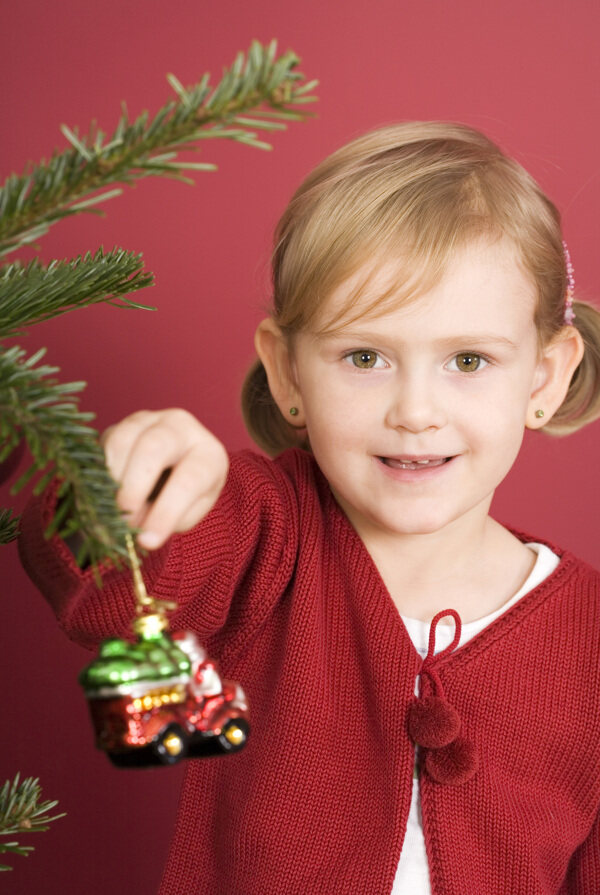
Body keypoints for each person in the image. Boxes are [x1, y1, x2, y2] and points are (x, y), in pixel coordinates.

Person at [19, 121, 600, 895]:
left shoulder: (589, 639)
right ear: (288, 374)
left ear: (544, 377)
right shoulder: (263, 531)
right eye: (365, 357)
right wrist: (134, 486)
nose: (415, 410)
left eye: (468, 359)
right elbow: (105, 578)